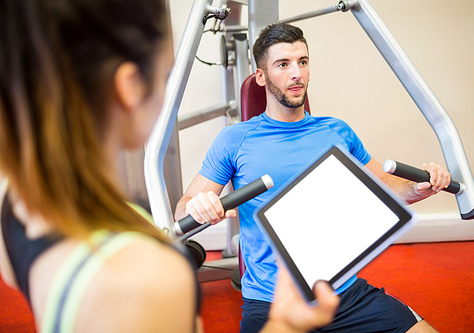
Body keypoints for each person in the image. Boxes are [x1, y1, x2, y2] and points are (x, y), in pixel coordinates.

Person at [0, 2, 339, 332]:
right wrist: (285, 326)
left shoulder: (15, 205)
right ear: (130, 87)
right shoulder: (152, 278)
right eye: (166, 74)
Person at [175, 23, 451, 333]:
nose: (297, 73)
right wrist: (199, 207)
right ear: (261, 76)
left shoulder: (336, 130)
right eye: (283, 64)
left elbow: (385, 187)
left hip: (342, 293)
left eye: (302, 62)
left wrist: (417, 187)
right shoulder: (235, 139)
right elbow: (183, 210)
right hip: (271, 301)